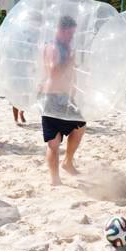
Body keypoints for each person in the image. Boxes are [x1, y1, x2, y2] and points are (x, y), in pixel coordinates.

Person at [39, 16, 85, 184]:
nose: (72, 37)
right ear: (61, 30)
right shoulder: (53, 47)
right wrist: (69, 61)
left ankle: (68, 162)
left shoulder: (65, 47)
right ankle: (55, 179)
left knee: (80, 125)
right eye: (70, 34)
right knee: (54, 141)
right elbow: (53, 71)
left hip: (65, 98)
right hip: (51, 98)